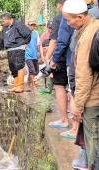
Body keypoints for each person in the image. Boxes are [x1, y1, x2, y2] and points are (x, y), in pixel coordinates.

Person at [62, 0, 99, 169]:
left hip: (93, 97)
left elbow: (84, 75)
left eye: (69, 20)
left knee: (93, 140)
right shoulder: (93, 27)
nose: (68, 24)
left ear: (80, 17)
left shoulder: (88, 35)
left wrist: (78, 105)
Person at [48, 0, 74, 131]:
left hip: (64, 57)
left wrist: (50, 58)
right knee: (73, 89)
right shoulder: (87, 13)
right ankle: (77, 125)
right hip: (76, 56)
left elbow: (56, 40)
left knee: (60, 87)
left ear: (59, 5)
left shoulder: (61, 17)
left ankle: (65, 120)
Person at [0, 13, 31, 93]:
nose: (2, 22)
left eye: (3, 21)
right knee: (13, 68)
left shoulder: (18, 24)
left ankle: (20, 86)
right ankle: (16, 86)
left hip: (18, 48)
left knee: (19, 66)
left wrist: (25, 43)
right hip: (9, 49)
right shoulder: (4, 28)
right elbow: (2, 40)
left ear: (8, 19)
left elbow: (28, 34)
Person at [24, 20, 39, 92]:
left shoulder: (36, 33)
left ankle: (27, 85)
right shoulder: (25, 33)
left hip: (34, 55)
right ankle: (33, 86)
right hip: (27, 55)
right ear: (28, 25)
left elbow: (38, 44)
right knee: (32, 70)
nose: (32, 26)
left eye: (34, 25)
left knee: (34, 71)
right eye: (31, 25)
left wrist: (39, 52)